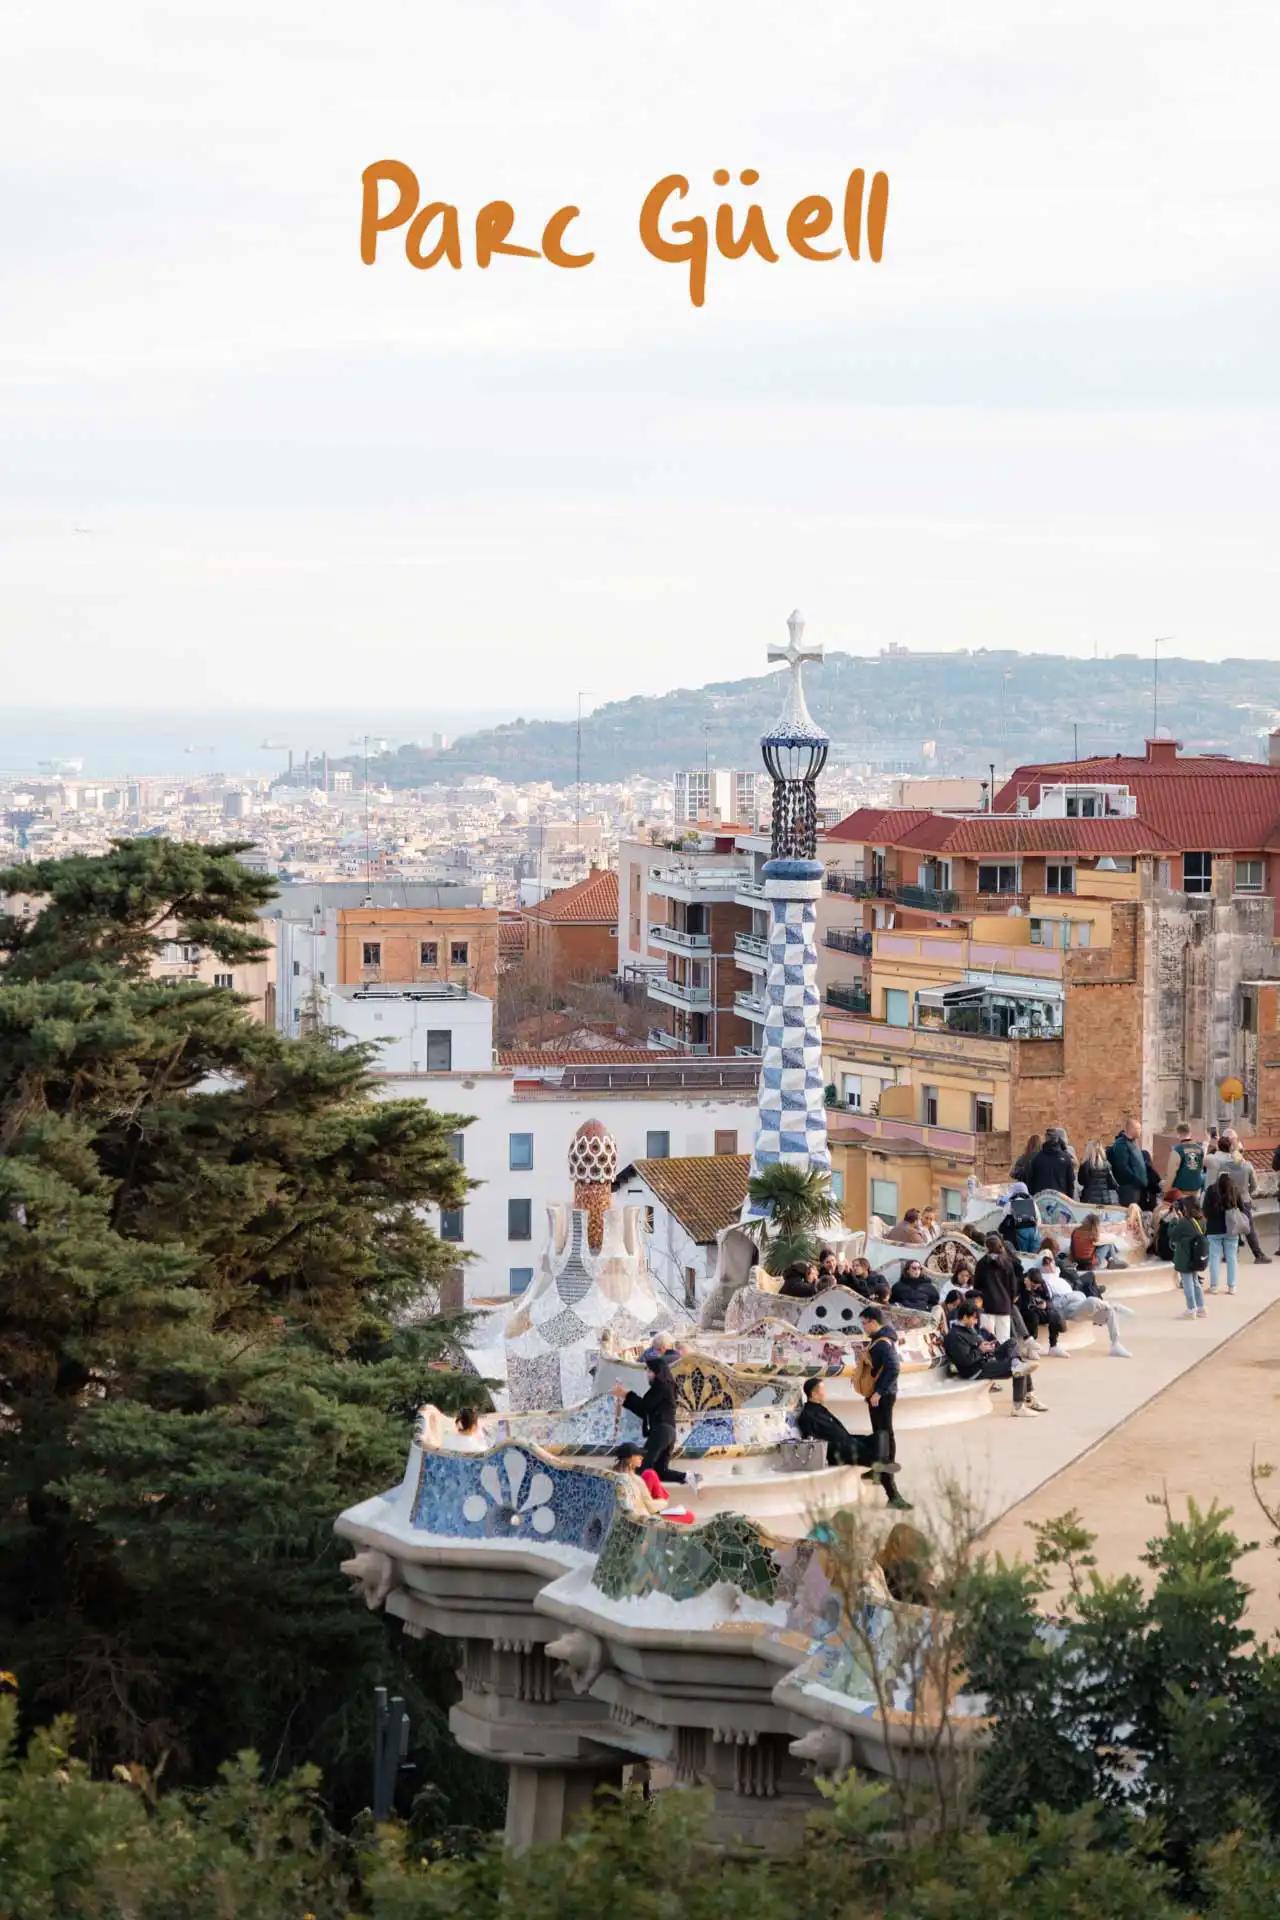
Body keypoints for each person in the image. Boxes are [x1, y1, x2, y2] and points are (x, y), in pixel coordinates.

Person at [944, 1303, 1046, 1414]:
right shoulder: (955, 1336)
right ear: (964, 1317)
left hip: (985, 1359)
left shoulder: (968, 1328)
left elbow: (976, 1344)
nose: (976, 1322)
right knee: (1019, 1367)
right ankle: (1018, 1407)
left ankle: (1029, 1394)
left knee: (1012, 1343)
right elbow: (965, 1360)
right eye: (974, 1318)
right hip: (976, 1369)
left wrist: (987, 1346)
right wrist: (980, 1350)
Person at [858, 1308, 912, 1510]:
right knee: (880, 1433)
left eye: (864, 1323)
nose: (863, 1327)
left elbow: (893, 1368)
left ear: (873, 1322)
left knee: (885, 1436)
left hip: (882, 1396)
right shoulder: (881, 1339)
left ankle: (887, 1474)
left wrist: (879, 1392)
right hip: (878, 1395)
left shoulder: (882, 1344)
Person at [614, 1357, 689, 1484]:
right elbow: (646, 1411)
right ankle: (688, 1477)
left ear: (657, 1372)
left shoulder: (661, 1386)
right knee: (660, 1471)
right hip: (669, 1433)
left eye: (650, 1371)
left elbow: (644, 1406)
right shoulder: (667, 1387)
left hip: (662, 1431)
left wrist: (627, 1394)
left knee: (641, 1465)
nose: (647, 1374)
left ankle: (636, 1497)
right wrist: (625, 1400)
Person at [1040, 1254, 1132, 1356]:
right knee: (1092, 1301)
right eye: (1046, 1264)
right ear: (1042, 1267)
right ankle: (1113, 1305)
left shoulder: (1059, 1278)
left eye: (1051, 1262)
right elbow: (1053, 1301)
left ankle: (1115, 1345)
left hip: (1080, 1302)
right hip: (1070, 1308)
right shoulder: (1045, 1281)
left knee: (1109, 1312)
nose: (1049, 1266)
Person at [1206, 1130, 1270, 1264]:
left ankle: (1231, 1254)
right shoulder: (1247, 1166)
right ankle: (1258, 1254)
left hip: (1228, 1199)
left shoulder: (1222, 1166)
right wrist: (1246, 1192)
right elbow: (1254, 1185)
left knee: (1230, 1224)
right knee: (1249, 1227)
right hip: (1244, 1199)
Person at [796, 1376, 877, 1472]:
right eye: (823, 1390)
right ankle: (880, 1470)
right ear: (814, 1394)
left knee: (879, 1437)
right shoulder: (807, 1416)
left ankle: (878, 1469)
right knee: (872, 1450)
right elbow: (814, 1442)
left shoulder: (820, 1409)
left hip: (846, 1442)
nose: (825, 1393)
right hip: (838, 1450)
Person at [614, 1442, 694, 1523]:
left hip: (632, 1513)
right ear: (631, 1457)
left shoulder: (614, 1475)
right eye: (638, 1455)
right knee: (689, 1516)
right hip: (643, 1517)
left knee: (650, 1473)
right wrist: (664, 1502)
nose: (641, 1457)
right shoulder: (635, 1480)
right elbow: (650, 1507)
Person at [1166, 1197, 1209, 1317]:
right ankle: (1201, 1308)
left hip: (1185, 1257)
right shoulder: (1202, 1220)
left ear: (1186, 1208)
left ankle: (1191, 1309)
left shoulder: (1184, 1222)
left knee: (1187, 1283)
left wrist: (1174, 1220)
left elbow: (1172, 1235)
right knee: (1195, 1282)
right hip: (1196, 1256)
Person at [973, 1232, 1018, 1344]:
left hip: (987, 1305)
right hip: (1004, 1304)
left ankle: (990, 1359)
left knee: (987, 1337)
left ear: (986, 1247)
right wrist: (1011, 1301)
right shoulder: (1007, 1263)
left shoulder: (982, 1263)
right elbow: (1012, 1286)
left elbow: (977, 1285)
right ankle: (1006, 1358)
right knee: (1004, 1338)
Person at [1016, 1263, 1069, 1358]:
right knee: (1033, 1317)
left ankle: (1053, 1346)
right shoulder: (1020, 1283)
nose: (1035, 1288)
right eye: (1033, 1286)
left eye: (1037, 1286)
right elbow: (1022, 1305)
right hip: (1025, 1312)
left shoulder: (1042, 1284)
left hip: (1039, 1310)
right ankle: (1031, 1349)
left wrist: (1045, 1305)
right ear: (1027, 1280)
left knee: (1053, 1314)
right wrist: (1028, 1290)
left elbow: (1049, 1300)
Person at [1203, 1170, 1242, 1296]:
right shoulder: (1234, 1190)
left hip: (1214, 1229)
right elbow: (1241, 1208)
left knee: (1214, 1258)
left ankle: (1214, 1286)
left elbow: (1205, 1210)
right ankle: (1232, 1286)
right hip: (1232, 1229)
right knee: (1232, 1258)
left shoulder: (1211, 1190)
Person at [1107, 1119, 1149, 1207]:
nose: (1140, 1131)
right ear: (1132, 1129)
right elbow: (1122, 1167)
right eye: (1138, 1128)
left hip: (1136, 1187)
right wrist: (1135, 1180)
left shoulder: (1133, 1142)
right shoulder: (1121, 1144)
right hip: (1128, 1187)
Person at [1165, 1121, 1206, 1200]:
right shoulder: (1200, 1149)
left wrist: (1166, 1190)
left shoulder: (1177, 1150)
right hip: (1196, 1187)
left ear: (1178, 1134)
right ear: (1190, 1133)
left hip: (1181, 1189)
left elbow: (1171, 1173)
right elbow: (1200, 1168)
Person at [1028, 1129, 1074, 1197]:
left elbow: (1030, 1180)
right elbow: (1070, 1182)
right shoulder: (1066, 1157)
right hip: (1061, 1199)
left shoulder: (1036, 1158)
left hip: (1041, 1198)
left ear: (1046, 1138)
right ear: (1057, 1139)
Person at [999, 1187, 1041, 1254]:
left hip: (1020, 1232)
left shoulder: (1009, 1204)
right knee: (1034, 1256)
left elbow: (1003, 1221)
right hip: (1034, 1232)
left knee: (1023, 1255)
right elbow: (1039, 1219)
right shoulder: (1032, 1203)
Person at [1078, 1140, 1119, 1206]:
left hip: (1089, 1199)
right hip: (1104, 1199)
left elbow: (1081, 1181)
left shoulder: (1085, 1165)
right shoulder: (1106, 1164)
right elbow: (1112, 1183)